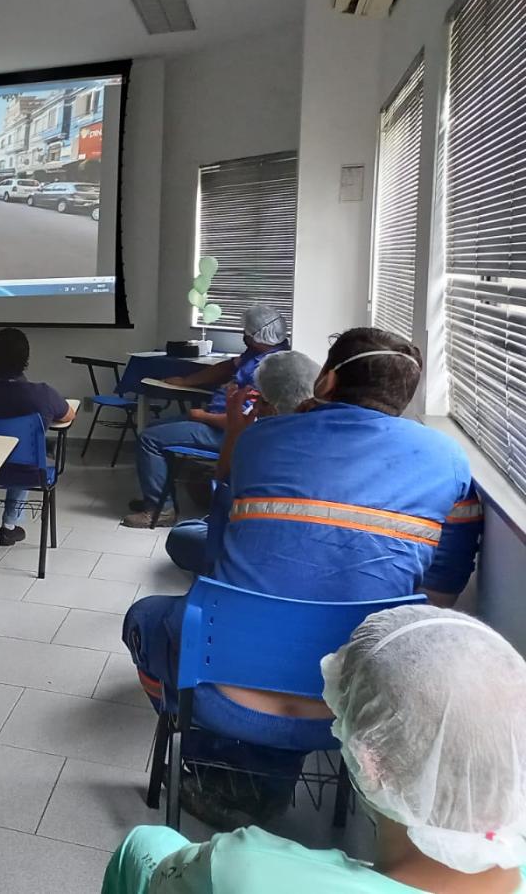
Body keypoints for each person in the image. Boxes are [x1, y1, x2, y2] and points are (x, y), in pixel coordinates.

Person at [122, 328, 483, 828]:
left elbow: (226, 529)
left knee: (146, 617)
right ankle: (259, 773)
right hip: (352, 710)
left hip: (223, 689)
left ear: (328, 380)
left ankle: (209, 751)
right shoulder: (450, 462)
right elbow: (438, 597)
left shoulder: (261, 440)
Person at [103, 606, 526, 894]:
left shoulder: (242, 871)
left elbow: (140, 857)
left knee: (146, 840)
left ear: (368, 758)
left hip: (230, 684)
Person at [123, 305, 290, 529]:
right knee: (156, 427)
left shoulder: (269, 369)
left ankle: (161, 511)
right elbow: (225, 368)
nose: (243, 335)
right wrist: (185, 381)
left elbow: (243, 422)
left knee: (149, 438)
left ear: (257, 335)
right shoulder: (258, 352)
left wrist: (202, 416)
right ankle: (159, 498)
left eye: (247, 332)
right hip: (216, 420)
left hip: (227, 432)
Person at [162, 350, 320, 574]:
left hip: (259, 556)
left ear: (271, 405)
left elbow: (221, 500)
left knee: (183, 535)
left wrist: (234, 432)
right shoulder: (329, 435)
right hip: (315, 553)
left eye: (259, 400)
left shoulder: (258, 441)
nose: (255, 408)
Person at [0, 327, 76, 546]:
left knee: (17, 451)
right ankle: (9, 526)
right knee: (27, 452)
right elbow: (69, 415)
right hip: (25, 473)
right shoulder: (42, 394)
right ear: (26, 359)